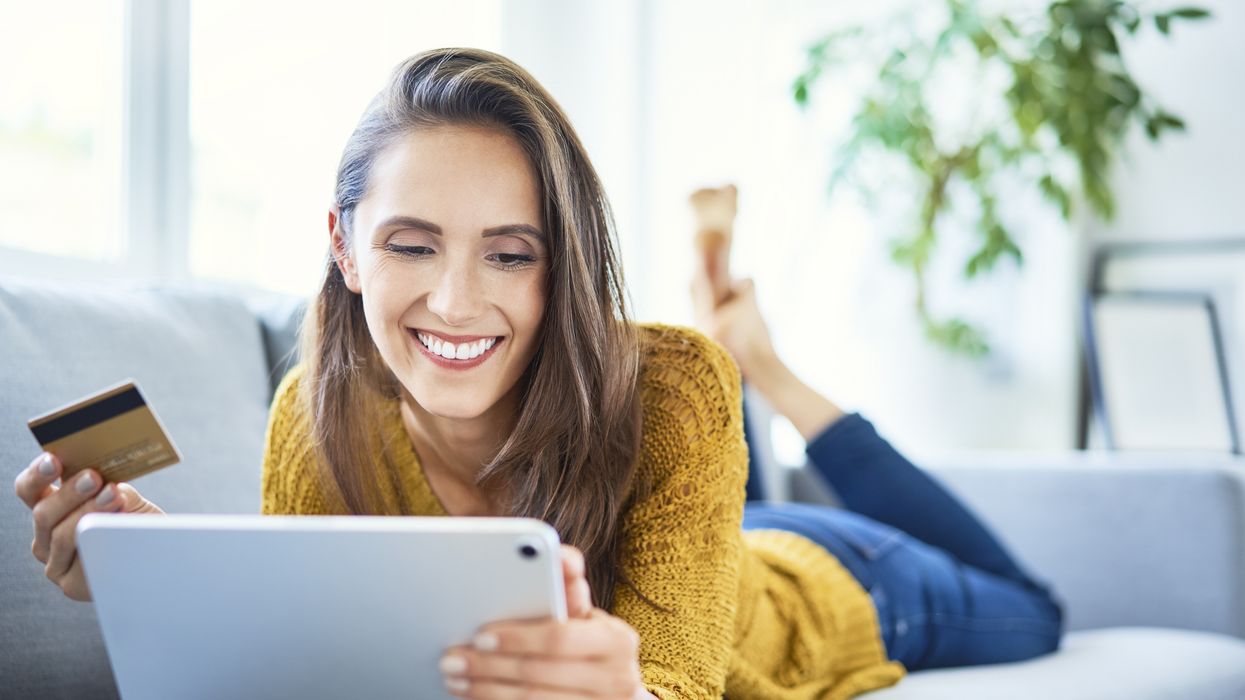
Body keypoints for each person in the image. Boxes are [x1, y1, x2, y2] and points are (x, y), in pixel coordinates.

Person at [11, 48, 1059, 700]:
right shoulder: (312, 413)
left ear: (562, 259)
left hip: (835, 589)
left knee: (1037, 606)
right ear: (343, 244)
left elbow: (680, 685)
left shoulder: (677, 386)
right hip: (713, 542)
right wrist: (150, 585)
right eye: (413, 245)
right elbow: (311, 666)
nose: (458, 303)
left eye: (511, 254)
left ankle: (771, 369)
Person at [689, 184, 1065, 672]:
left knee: (1032, 609)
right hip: (771, 542)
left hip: (816, 570)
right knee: (1033, 607)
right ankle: (731, 361)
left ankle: (734, 358)